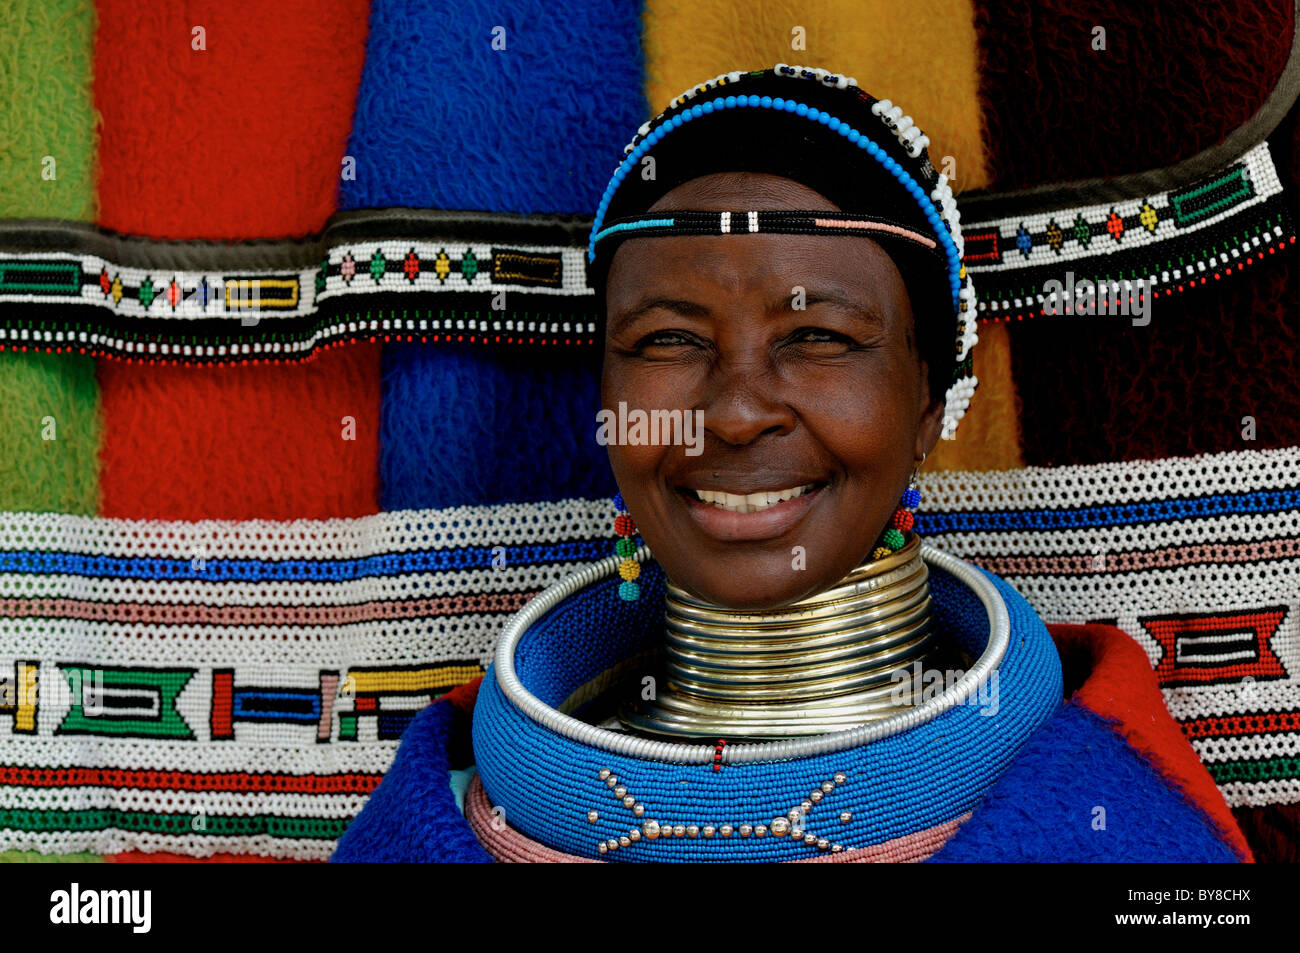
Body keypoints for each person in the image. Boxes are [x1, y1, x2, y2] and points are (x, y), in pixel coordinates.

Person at [332, 65, 1252, 863]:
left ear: (931, 401)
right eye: (666, 341)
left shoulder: (1127, 823)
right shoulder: (449, 802)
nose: (734, 411)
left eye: (817, 336)